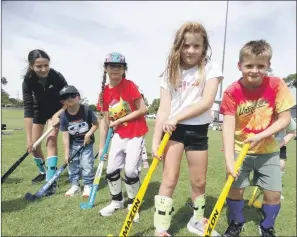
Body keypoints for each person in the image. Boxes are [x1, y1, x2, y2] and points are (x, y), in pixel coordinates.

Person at [151, 22, 224, 236]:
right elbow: (164, 108)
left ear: (204, 48)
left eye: (196, 46)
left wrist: (177, 116)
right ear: (178, 47)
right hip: (173, 132)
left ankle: (197, 221)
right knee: (169, 179)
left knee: (199, 181)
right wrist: (156, 140)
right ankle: (161, 228)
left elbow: (207, 102)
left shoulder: (211, 68)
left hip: (198, 131)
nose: (190, 50)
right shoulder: (170, 72)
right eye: (185, 45)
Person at [220, 40, 295, 237]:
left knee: (273, 194)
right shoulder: (231, 91)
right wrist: (229, 161)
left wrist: (261, 135)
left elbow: (286, 119)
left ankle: (267, 226)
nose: (255, 70)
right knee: (235, 190)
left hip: (268, 151)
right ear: (240, 66)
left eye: (261, 66)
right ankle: (237, 222)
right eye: (249, 65)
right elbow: (227, 127)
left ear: (268, 66)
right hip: (239, 150)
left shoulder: (277, 85)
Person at [96, 52, 148, 222]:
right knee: (111, 170)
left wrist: (120, 119)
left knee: (131, 170)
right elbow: (105, 122)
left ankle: (133, 205)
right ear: (106, 69)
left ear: (124, 69)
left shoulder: (130, 85)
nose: (115, 69)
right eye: (112, 66)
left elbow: (142, 110)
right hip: (118, 134)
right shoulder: (104, 93)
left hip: (135, 133)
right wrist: (102, 147)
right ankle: (117, 201)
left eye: (119, 66)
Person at [22, 49, 68, 195]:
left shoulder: (57, 77)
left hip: (56, 111)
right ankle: (42, 172)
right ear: (31, 66)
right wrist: (29, 140)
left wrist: (57, 115)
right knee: (34, 147)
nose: (43, 69)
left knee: (51, 140)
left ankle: (50, 180)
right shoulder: (28, 80)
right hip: (39, 111)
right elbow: (28, 109)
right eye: (39, 66)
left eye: (46, 65)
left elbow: (69, 100)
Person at [59, 85, 99, 198]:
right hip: (73, 145)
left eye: (72, 95)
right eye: (65, 97)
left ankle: (88, 185)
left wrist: (89, 134)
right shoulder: (63, 116)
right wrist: (66, 154)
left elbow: (96, 124)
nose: (69, 99)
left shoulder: (86, 110)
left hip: (86, 144)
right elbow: (65, 136)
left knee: (86, 164)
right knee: (72, 165)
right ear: (62, 101)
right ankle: (75, 185)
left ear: (78, 97)